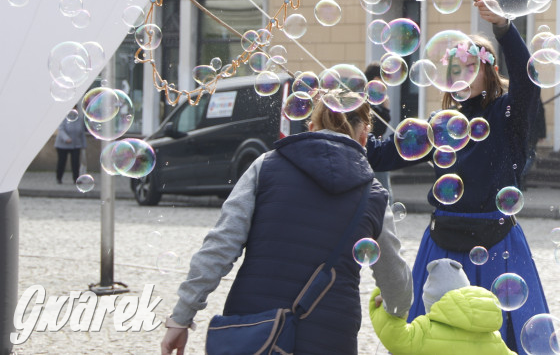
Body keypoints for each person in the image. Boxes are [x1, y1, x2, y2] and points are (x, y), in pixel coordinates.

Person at [160, 94, 412, 355]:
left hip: (256, 332)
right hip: (331, 338)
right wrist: (395, 308)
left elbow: (220, 246)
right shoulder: (375, 195)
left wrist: (181, 317)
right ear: (364, 138)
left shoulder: (266, 166)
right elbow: (397, 284)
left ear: (311, 128)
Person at [366, 0, 547, 352]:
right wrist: (354, 114)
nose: (461, 74)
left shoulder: (508, 113)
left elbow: (528, 82)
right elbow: (378, 155)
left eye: (469, 66)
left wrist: (505, 29)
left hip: (497, 246)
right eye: (454, 69)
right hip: (442, 243)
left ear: (488, 71)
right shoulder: (440, 124)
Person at [369, 258, 514, 355]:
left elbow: (394, 336)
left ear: (429, 303)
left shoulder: (423, 331)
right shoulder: (493, 338)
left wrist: (385, 302)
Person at [365, 62, 394, 199]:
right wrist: (386, 110)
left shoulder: (368, 98)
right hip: (372, 151)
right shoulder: (370, 101)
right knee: (384, 193)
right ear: (377, 80)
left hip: (369, 150)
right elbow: (377, 130)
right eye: (385, 79)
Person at [55, 109, 87, 184]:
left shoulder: (79, 119)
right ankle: (59, 178)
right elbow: (61, 129)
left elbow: (82, 133)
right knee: (62, 162)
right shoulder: (63, 118)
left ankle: (76, 179)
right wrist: (66, 138)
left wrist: (84, 144)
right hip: (62, 145)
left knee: (75, 163)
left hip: (76, 145)